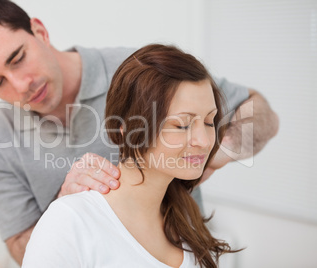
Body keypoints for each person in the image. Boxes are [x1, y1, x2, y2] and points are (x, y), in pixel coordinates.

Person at [0, 0, 279, 265]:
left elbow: (261, 114)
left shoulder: (140, 74)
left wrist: (209, 155)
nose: (21, 84)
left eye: (18, 58)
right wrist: (65, 205)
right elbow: (23, 250)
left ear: (39, 31)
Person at [22, 44, 241, 268]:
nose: (204, 141)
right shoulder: (69, 221)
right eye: (182, 125)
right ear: (126, 129)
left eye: (209, 122)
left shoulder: (185, 217)